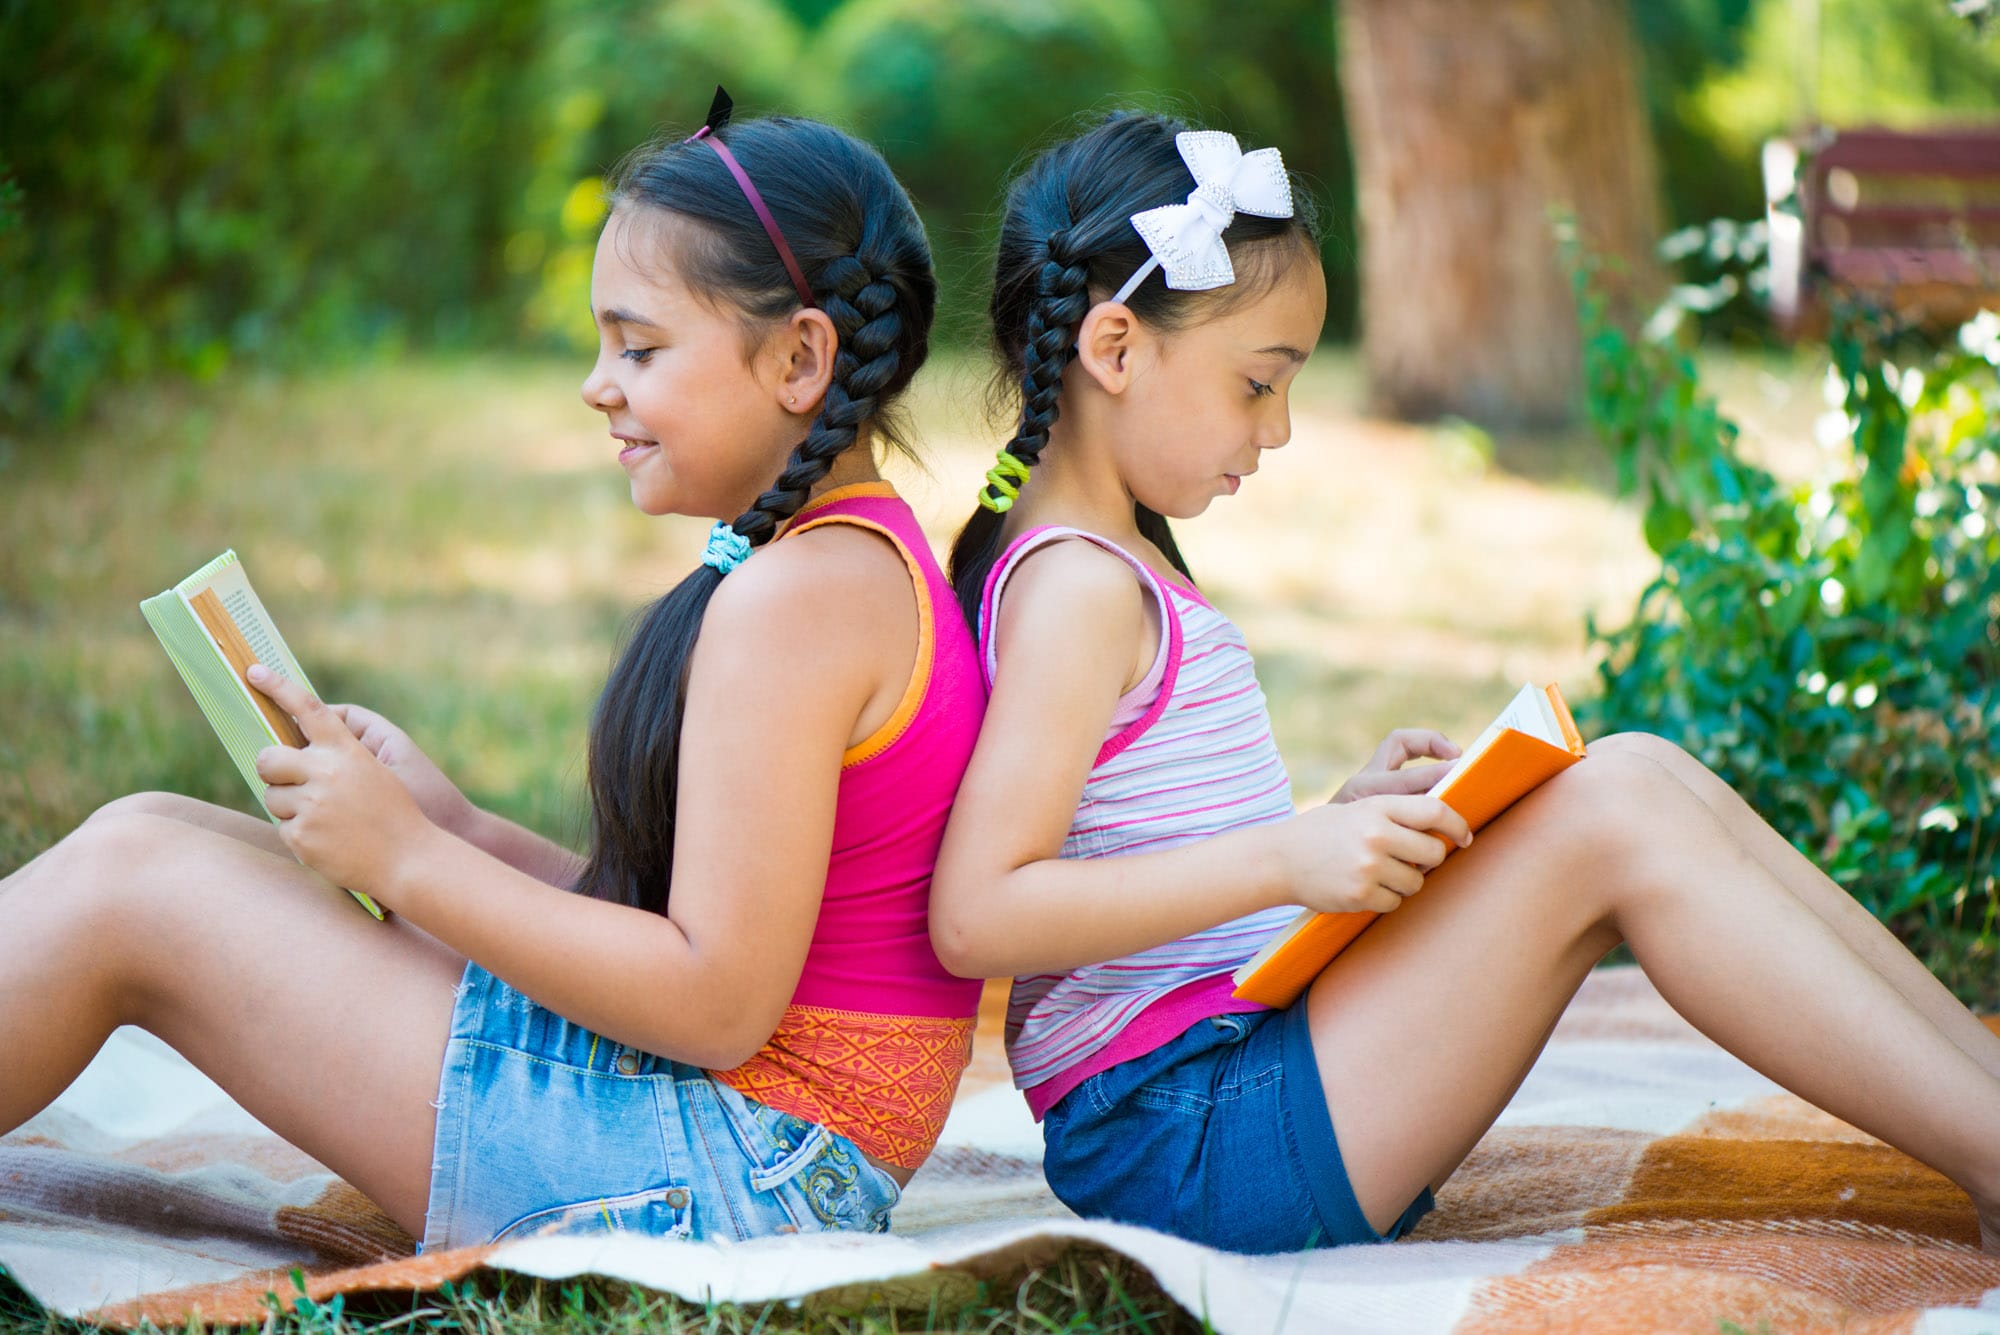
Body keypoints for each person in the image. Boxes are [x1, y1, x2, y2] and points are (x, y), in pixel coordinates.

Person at [927, 109, 2000, 1256]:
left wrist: (1330, 825)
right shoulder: (1075, 589)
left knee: (1637, 773)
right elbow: (978, 912)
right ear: (1114, 349)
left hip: (1228, 1077)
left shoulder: (1097, 566)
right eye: (1257, 383)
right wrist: (1281, 860)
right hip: (1183, 1140)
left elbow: (1125, 852)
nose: (1280, 427)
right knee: (1616, 818)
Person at [0, 95, 987, 1250]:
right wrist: (456, 825)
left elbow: (712, 1002)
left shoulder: (798, 600)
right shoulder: (840, 565)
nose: (597, 383)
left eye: (640, 346)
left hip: (736, 1173)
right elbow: (690, 934)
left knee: (137, 888)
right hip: (744, 1142)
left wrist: (408, 861)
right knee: (162, 827)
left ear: (800, 357)